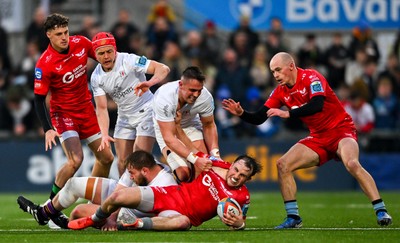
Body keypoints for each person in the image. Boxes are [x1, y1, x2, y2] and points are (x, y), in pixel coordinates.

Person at [222, 52, 393, 229]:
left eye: (278, 70)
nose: (276, 75)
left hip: (341, 130)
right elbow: (259, 117)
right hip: (318, 137)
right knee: (282, 165)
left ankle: (380, 210)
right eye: (273, 72)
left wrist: (289, 113)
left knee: (351, 163)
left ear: (291, 66)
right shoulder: (280, 91)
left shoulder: (312, 77)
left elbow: (317, 104)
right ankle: (293, 217)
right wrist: (241, 113)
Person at [17, 13, 114, 226]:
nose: (64, 37)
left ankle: (91, 205)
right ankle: (50, 205)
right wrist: (48, 128)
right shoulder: (45, 63)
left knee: (107, 158)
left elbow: (102, 56)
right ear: (49, 35)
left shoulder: (80, 43)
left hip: (87, 111)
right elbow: (38, 99)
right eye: (59, 34)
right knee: (75, 160)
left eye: (66, 32)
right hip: (64, 115)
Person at [68, 154, 261, 231]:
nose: (237, 176)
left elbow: (239, 221)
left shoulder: (242, 197)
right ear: (232, 164)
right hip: (170, 194)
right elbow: (190, 151)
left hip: (181, 214)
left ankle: (135, 224)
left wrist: (238, 224)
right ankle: (96, 218)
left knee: (184, 223)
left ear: (248, 179)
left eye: (243, 175)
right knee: (119, 197)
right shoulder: (217, 164)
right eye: (236, 169)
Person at [17, 150, 177, 230]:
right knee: (73, 184)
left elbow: (169, 218)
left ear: (145, 171)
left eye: (132, 174)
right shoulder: (142, 164)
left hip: (130, 211)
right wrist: (110, 217)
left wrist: (118, 221)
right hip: (120, 198)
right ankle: (43, 214)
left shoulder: (166, 185)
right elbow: (118, 194)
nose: (130, 176)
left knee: (78, 212)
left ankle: (61, 222)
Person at [90, 32, 170, 176]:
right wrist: (104, 134)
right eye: (101, 53)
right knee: (122, 164)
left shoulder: (129, 60)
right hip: (124, 116)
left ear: (115, 50)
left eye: (109, 51)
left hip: (146, 110)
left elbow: (163, 68)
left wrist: (150, 83)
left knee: (139, 159)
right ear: (95, 55)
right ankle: (127, 196)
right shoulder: (96, 77)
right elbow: (101, 108)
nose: (106, 56)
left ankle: (166, 178)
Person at [152, 66, 219, 183]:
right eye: (192, 90)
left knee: (204, 170)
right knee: (183, 174)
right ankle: (161, 173)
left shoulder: (205, 98)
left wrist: (215, 154)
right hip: (167, 128)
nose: (196, 94)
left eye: (200, 90)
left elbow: (209, 125)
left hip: (190, 124)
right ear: (180, 85)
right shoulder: (164, 99)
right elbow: (169, 138)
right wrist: (194, 159)